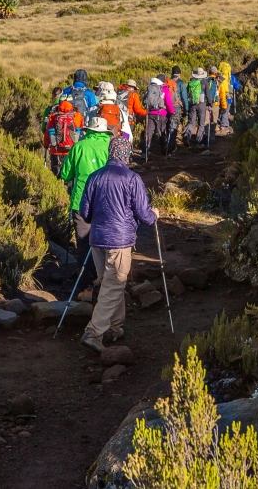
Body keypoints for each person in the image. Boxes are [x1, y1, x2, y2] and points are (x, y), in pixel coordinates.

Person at [78, 134, 158, 352]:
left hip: (97, 239)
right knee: (114, 285)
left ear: (110, 152)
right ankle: (94, 332)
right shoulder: (132, 178)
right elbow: (144, 214)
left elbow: (84, 213)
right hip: (120, 240)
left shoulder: (94, 177)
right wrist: (154, 215)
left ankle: (115, 327)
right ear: (127, 153)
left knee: (109, 284)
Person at [59, 116, 112, 297]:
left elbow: (66, 174)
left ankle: (86, 286)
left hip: (81, 202)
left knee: (83, 244)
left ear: (88, 130)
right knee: (104, 242)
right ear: (105, 132)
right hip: (105, 203)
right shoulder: (109, 147)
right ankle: (104, 281)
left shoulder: (79, 147)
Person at [44, 99, 84, 176]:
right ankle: (68, 187)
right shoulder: (77, 116)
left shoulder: (53, 116)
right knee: (70, 175)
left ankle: (55, 187)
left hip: (55, 151)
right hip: (71, 151)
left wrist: (46, 145)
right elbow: (80, 130)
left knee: (56, 175)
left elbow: (47, 134)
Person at [142, 75, 173, 158]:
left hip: (150, 113)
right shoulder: (164, 89)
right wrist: (172, 111)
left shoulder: (150, 88)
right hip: (161, 113)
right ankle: (165, 152)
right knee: (162, 133)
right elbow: (168, 102)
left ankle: (145, 152)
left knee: (148, 133)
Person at [185, 67, 211, 146]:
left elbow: (187, 94)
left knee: (191, 122)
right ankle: (198, 141)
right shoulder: (205, 82)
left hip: (192, 104)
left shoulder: (191, 82)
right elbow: (208, 94)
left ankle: (187, 136)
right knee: (201, 123)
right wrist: (210, 104)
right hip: (202, 104)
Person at [166, 66, 189, 154]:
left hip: (167, 107)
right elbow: (184, 97)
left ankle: (166, 145)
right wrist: (186, 109)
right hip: (176, 107)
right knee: (173, 127)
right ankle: (171, 148)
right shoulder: (180, 83)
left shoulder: (167, 82)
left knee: (168, 126)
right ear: (179, 74)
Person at [217, 61, 234, 133]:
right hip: (227, 95)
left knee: (221, 109)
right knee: (226, 110)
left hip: (218, 95)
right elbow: (237, 86)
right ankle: (224, 125)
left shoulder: (218, 78)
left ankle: (220, 121)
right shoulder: (230, 78)